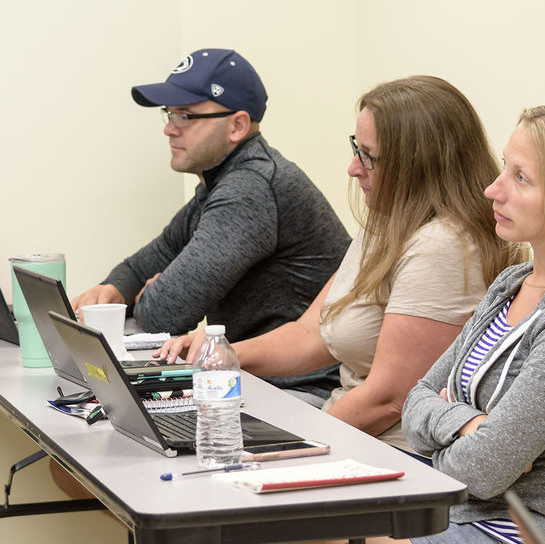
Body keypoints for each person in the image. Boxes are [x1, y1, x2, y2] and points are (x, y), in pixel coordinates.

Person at [248, 97, 545, 544]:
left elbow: (482, 471)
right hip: (455, 514)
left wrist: (459, 438)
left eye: (521, 178)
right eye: (503, 169)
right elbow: (418, 400)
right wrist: (468, 425)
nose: (494, 190)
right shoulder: (514, 283)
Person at [156, 75, 523, 544]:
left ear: (417, 165)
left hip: (397, 456)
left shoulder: (444, 246)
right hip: (348, 433)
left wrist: (283, 456)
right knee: (195, 535)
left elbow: (389, 399)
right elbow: (312, 334)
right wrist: (220, 353)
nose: (353, 168)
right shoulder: (387, 223)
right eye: (357, 148)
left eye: (368, 156)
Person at [72, 48, 350, 401]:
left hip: (300, 390)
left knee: (102, 423)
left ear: (237, 125)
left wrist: (149, 293)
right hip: (250, 378)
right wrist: (118, 288)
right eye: (169, 114)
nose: (170, 129)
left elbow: (163, 314)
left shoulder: (250, 188)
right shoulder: (221, 183)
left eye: (186, 116)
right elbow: (141, 265)